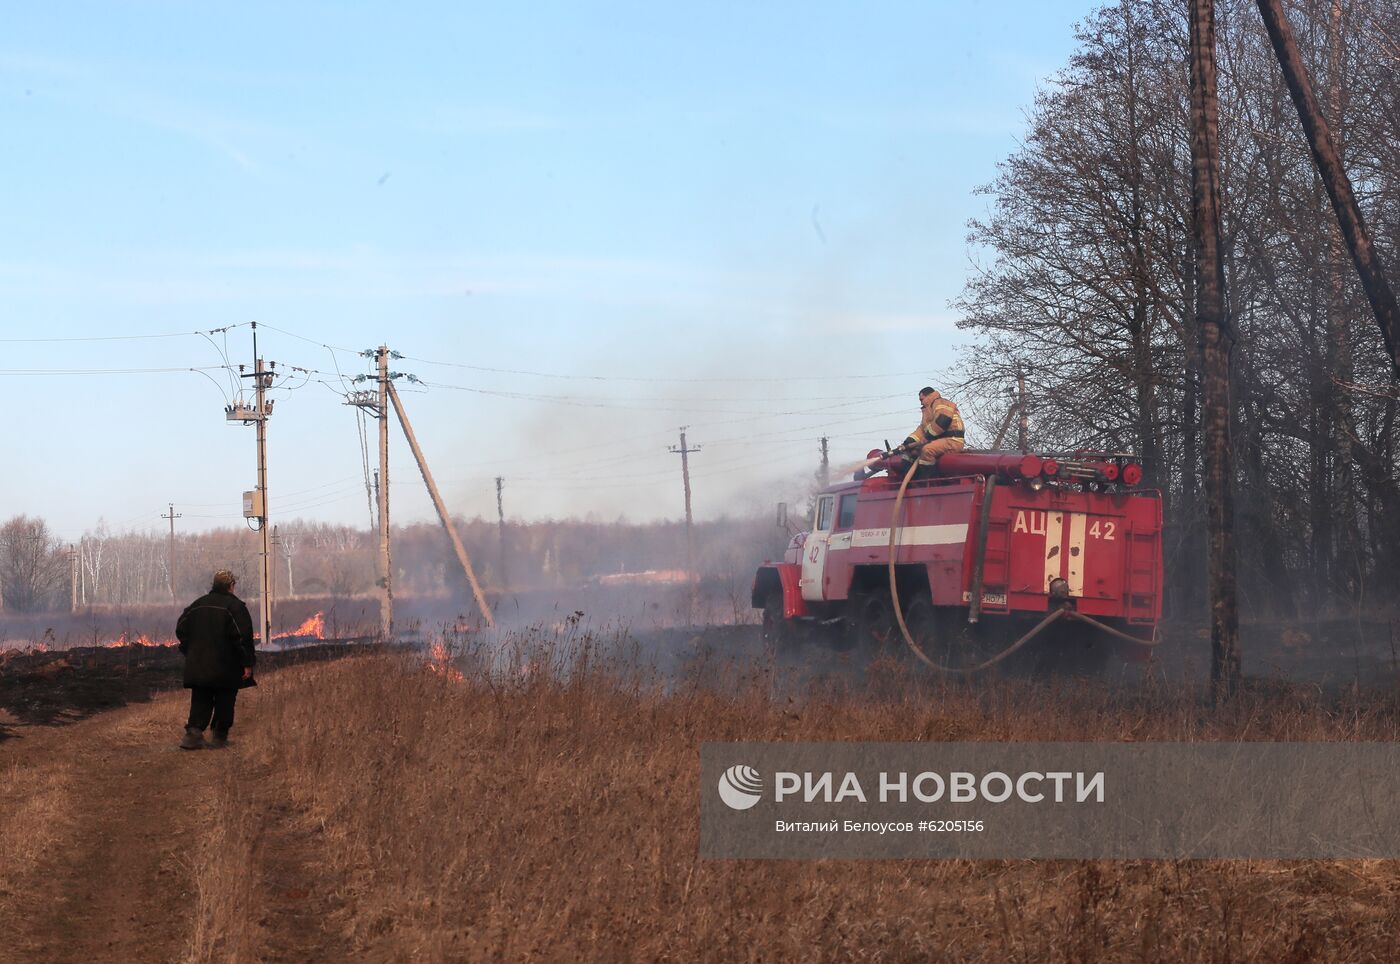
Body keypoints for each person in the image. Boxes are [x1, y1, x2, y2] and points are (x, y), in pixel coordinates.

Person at [175, 569, 255, 750]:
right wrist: (247, 664)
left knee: (200, 698)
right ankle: (219, 737)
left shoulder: (197, 605)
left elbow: (181, 628)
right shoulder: (235, 607)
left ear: (214, 585)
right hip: (226, 664)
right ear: (231, 586)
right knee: (225, 699)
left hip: (199, 664)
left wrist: (190, 649)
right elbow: (242, 638)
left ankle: (193, 735)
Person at [897, 386, 966, 479]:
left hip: (953, 440)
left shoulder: (941, 403)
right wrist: (908, 443)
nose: (921, 403)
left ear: (929, 396)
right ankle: (914, 482)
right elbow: (921, 430)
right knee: (909, 454)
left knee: (927, 450)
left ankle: (932, 482)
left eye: (922, 399)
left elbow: (943, 420)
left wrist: (928, 437)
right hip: (939, 441)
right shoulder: (928, 412)